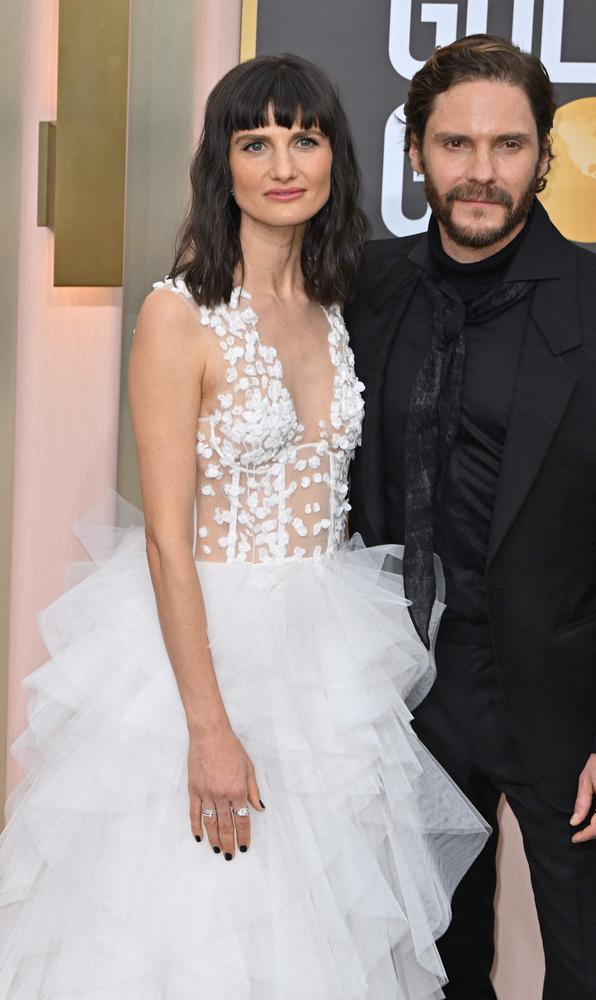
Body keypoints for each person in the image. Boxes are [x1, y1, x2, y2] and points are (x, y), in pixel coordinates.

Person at [0, 54, 487, 999]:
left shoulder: (338, 306)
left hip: (330, 655)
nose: (282, 162)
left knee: (324, 935)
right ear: (221, 167)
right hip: (205, 654)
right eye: (254, 140)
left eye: (303, 138)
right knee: (198, 935)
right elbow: (164, 541)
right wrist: (209, 728)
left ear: (335, 159)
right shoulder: (179, 316)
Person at [346, 33, 596, 1000]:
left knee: (592, 971)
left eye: (509, 146)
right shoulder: (363, 289)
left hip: (567, 703)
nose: (481, 172)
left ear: (546, 157)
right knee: (430, 964)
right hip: (408, 696)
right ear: (416, 154)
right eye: (456, 145)